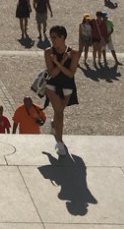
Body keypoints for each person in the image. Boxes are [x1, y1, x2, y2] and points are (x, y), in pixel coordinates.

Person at [44, 25, 79, 156]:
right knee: (59, 112)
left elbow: (70, 74)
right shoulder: (48, 52)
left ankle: (54, 126)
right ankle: (60, 142)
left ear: (62, 37)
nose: (52, 40)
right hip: (52, 86)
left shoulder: (74, 53)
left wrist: (60, 62)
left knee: (59, 112)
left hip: (67, 86)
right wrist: (62, 62)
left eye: (54, 37)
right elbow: (52, 73)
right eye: (51, 37)